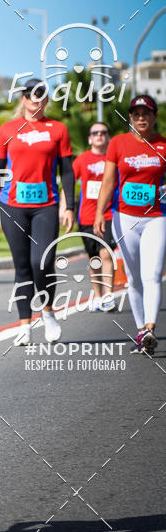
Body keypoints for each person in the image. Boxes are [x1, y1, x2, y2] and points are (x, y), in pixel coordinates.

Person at [0, 78, 75, 345]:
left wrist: (69, 206)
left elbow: (66, 171)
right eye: (30, 95)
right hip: (13, 207)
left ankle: (48, 313)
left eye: (40, 95)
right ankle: (24, 325)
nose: (35, 100)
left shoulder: (58, 129)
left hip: (46, 206)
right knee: (22, 266)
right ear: (23, 99)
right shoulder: (7, 129)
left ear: (46, 100)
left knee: (41, 262)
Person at [94, 94, 166, 355]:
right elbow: (108, 182)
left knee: (152, 275)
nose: (141, 118)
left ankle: (150, 328)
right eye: (136, 114)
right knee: (134, 278)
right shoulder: (118, 143)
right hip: (125, 218)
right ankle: (141, 331)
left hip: (156, 217)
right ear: (130, 118)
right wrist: (99, 213)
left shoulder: (163, 145)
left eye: (146, 113)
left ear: (154, 116)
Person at [73, 123, 117, 311]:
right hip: (87, 216)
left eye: (103, 132)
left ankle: (108, 296)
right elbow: (69, 182)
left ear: (108, 137)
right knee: (94, 259)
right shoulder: (81, 160)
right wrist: (65, 207)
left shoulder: (114, 159)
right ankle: (98, 297)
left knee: (106, 253)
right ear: (90, 138)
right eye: (95, 133)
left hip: (108, 214)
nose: (99, 135)